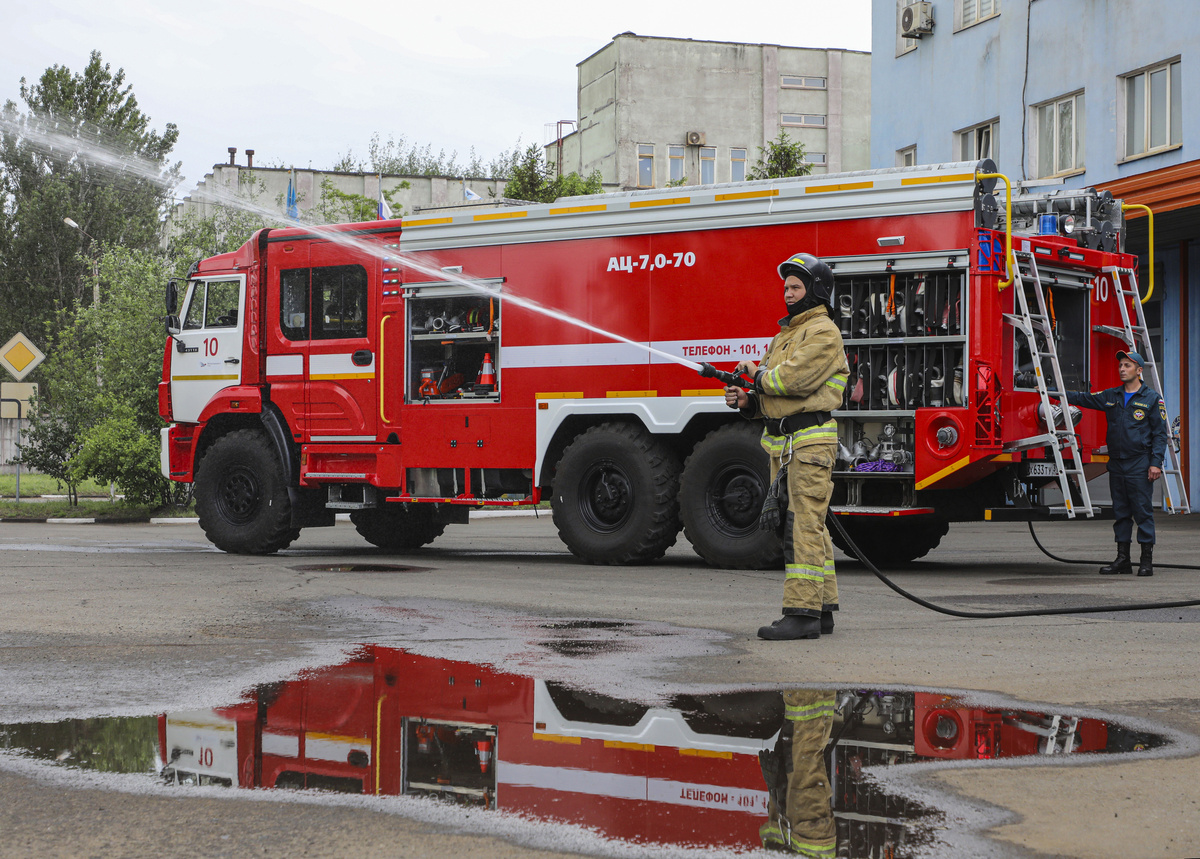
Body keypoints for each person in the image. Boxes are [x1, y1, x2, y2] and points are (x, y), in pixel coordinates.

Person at [725, 252, 849, 640]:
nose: (788, 294)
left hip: (809, 444)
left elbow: (791, 381)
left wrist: (756, 376)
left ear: (815, 290)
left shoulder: (824, 332)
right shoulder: (784, 335)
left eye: (796, 287)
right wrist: (747, 401)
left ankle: (802, 614)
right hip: (786, 445)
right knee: (811, 527)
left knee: (801, 527)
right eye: (786, 288)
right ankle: (822, 610)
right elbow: (772, 394)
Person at [1066, 350, 1168, 576]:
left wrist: (1156, 463)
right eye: (1120, 365)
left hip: (1140, 463)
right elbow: (1084, 399)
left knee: (1142, 512)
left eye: (1127, 366)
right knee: (1121, 512)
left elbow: (1160, 435)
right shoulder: (1111, 395)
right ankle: (1123, 560)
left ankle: (1146, 561)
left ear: (1139, 370)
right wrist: (1053, 394)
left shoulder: (1152, 399)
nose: (1122, 369)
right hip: (1117, 464)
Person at [757, 689, 837, 857]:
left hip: (800, 832)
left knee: (809, 748)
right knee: (803, 745)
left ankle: (822, 684)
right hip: (805, 835)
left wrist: (775, 787)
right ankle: (804, 685)